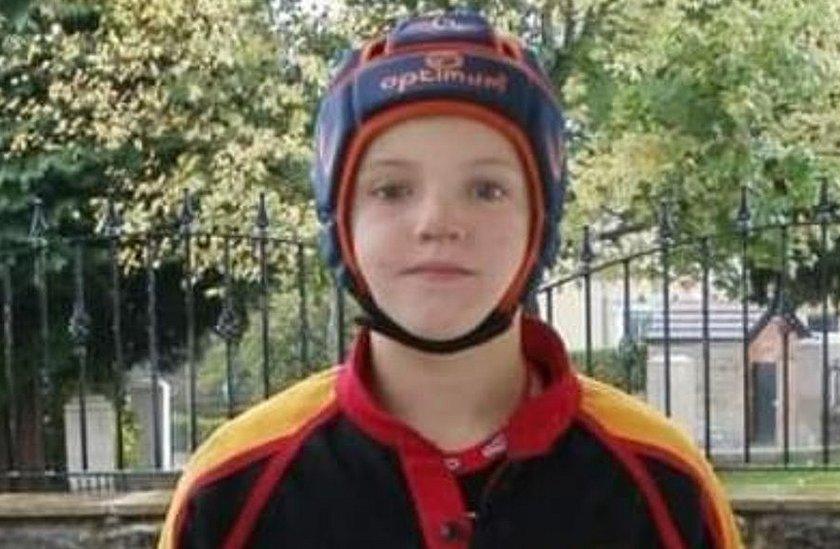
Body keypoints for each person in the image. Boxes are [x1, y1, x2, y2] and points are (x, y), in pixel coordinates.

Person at [158, 9, 740, 549]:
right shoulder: (231, 492)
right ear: (340, 222)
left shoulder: (664, 485)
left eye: (487, 189)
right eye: (390, 190)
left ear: (541, 220)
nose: (438, 222)